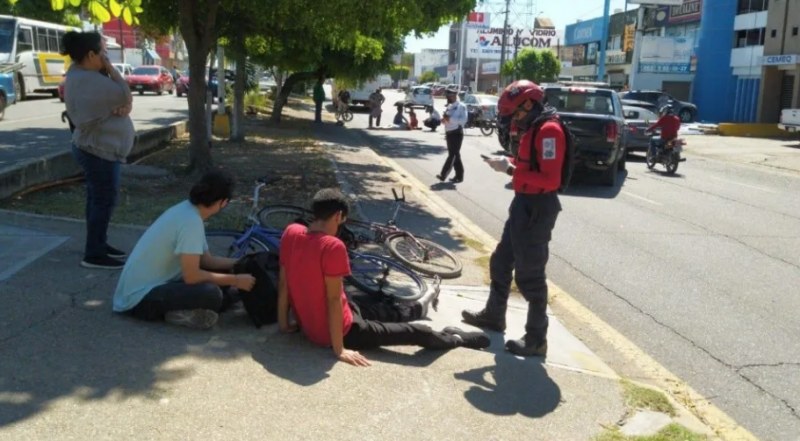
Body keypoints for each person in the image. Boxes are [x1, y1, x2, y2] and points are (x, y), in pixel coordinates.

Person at [278, 188, 490, 367]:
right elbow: (333, 300)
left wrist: (284, 324)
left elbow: (284, 283)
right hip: (346, 330)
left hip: (339, 313)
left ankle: (419, 307)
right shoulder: (332, 246)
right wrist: (340, 349)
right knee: (415, 332)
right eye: (342, 221)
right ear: (337, 216)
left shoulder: (291, 232)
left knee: (379, 306)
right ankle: (454, 337)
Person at [461, 80, 566, 358]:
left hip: (538, 207)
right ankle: (494, 316)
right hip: (523, 203)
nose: (514, 120)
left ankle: (536, 339)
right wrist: (509, 162)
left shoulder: (549, 132)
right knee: (501, 261)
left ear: (529, 104)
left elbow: (550, 178)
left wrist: (510, 171)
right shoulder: (534, 127)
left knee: (530, 275)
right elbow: (530, 166)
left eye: (516, 113)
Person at [113, 170, 256, 329]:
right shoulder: (191, 222)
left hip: (147, 287)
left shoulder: (188, 210)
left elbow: (207, 260)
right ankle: (179, 313)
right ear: (223, 202)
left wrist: (242, 263)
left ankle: (209, 304)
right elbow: (192, 276)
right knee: (212, 294)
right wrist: (236, 280)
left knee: (225, 274)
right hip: (138, 300)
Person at [62, 31, 134, 270]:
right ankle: (93, 253)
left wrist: (123, 107)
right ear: (91, 54)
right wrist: (112, 70)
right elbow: (125, 94)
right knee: (103, 200)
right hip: (97, 151)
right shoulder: (88, 79)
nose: (106, 57)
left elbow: (124, 103)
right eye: (103, 52)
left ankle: (98, 244)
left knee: (97, 199)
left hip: (96, 148)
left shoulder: (81, 74)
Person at [435, 86, 468, 183]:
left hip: (457, 133)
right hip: (449, 133)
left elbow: (463, 121)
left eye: (449, 96)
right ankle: (459, 176)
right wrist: (444, 121)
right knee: (455, 155)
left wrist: (450, 119)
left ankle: (443, 174)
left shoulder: (461, 106)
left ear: (454, 96)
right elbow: (447, 120)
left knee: (452, 155)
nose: (447, 98)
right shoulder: (449, 107)